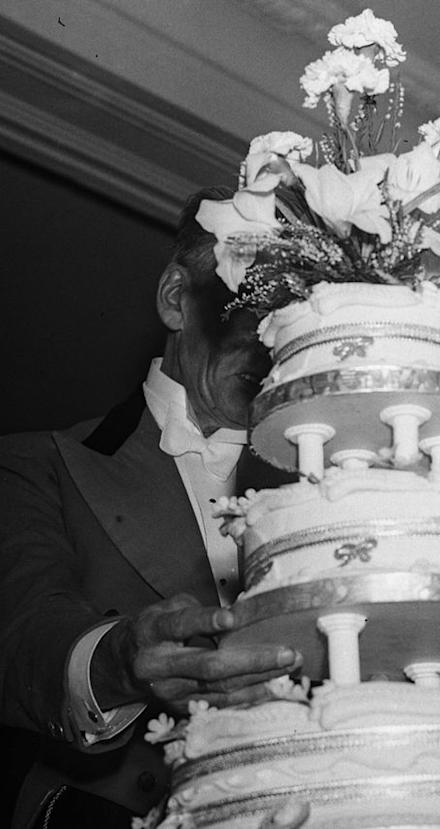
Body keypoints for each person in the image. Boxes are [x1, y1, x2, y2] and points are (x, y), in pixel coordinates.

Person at [0, 188, 303, 828]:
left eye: (297, 316)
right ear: (175, 299)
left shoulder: (329, 494)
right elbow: (26, 636)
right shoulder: (38, 465)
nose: (275, 339)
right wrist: (122, 660)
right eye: (253, 306)